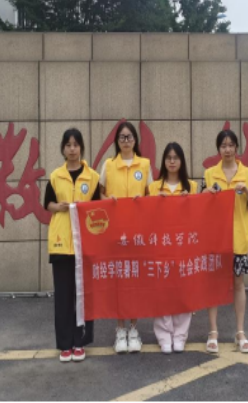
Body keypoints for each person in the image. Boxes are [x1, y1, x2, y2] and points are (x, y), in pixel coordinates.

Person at [202, 130, 248, 355]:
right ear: (218, 149)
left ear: (237, 148)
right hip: (215, 239)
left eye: (231, 145)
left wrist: (246, 190)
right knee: (213, 285)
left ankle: (240, 333)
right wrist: (206, 194)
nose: (227, 149)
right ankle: (213, 333)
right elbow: (199, 205)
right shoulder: (209, 174)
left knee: (238, 284)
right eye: (223, 145)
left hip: (238, 238)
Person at [45, 128, 101, 363]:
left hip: (84, 245)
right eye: (68, 145)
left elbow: (98, 208)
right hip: (61, 244)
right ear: (63, 148)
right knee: (64, 297)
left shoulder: (93, 177)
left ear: (81, 148)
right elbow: (47, 203)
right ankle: (65, 344)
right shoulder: (55, 176)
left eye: (76, 144)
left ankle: (80, 342)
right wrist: (58, 207)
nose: (72, 149)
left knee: (83, 296)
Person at [99, 122, 153, 354]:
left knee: (135, 280)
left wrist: (143, 201)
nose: (126, 141)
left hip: (137, 232)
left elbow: (151, 196)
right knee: (119, 280)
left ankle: (134, 328)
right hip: (116, 231)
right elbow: (99, 193)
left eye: (129, 137)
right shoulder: (109, 165)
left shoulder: (145, 164)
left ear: (135, 140)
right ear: (117, 141)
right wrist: (108, 199)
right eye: (122, 137)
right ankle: (120, 329)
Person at [148, 143, 198, 354]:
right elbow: (146, 218)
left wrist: (189, 202)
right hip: (161, 246)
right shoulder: (153, 187)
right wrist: (156, 204)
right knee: (162, 291)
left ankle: (180, 335)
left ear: (181, 161)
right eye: (168, 157)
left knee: (182, 291)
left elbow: (198, 217)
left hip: (184, 246)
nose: (172, 161)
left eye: (176, 157)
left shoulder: (192, 187)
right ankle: (163, 335)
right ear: (163, 161)